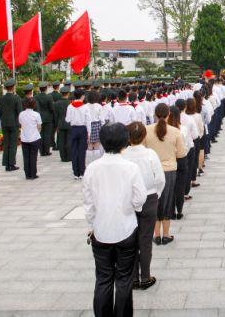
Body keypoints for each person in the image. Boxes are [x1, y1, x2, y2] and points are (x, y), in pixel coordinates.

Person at [83, 123, 147, 317]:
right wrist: (131, 209)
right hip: (126, 228)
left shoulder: (92, 168)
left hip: (101, 230)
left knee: (103, 278)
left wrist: (93, 222)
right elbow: (140, 198)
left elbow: (88, 202)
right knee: (124, 278)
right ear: (125, 142)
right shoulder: (130, 167)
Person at [122, 122, 165, 291]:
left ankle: (132, 278)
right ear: (144, 136)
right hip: (149, 197)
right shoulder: (150, 154)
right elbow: (160, 178)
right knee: (145, 239)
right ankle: (145, 276)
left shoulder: (123, 154)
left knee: (130, 239)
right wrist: (157, 193)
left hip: (128, 200)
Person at [143, 103, 185, 244]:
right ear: (169, 115)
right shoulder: (175, 131)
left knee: (154, 202)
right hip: (169, 170)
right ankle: (166, 234)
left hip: (151, 171)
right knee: (167, 202)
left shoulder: (146, 130)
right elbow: (181, 153)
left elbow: (142, 151)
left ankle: (156, 235)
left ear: (155, 115)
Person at [0, 78, 22, 172]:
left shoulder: (0, 99)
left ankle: (6, 163)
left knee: (6, 143)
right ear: (13, 87)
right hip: (14, 124)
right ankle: (11, 163)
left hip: (4, 123)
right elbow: (19, 112)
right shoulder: (16, 99)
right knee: (13, 144)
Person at [18, 98, 42, 180]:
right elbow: (39, 126)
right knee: (33, 156)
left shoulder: (21, 114)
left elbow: (20, 123)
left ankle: (27, 174)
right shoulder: (36, 114)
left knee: (26, 156)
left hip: (24, 138)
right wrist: (36, 131)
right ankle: (33, 174)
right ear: (34, 105)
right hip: (34, 137)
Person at [35, 82, 54, 157]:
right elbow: (51, 108)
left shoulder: (36, 97)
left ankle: (41, 151)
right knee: (47, 134)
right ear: (46, 89)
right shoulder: (49, 97)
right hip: (48, 118)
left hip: (39, 117)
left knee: (40, 134)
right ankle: (46, 150)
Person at [54, 86, 72, 162]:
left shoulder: (57, 103)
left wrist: (56, 126)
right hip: (70, 123)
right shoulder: (71, 103)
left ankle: (63, 157)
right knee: (69, 140)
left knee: (61, 141)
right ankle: (69, 156)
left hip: (60, 123)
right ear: (68, 93)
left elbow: (55, 116)